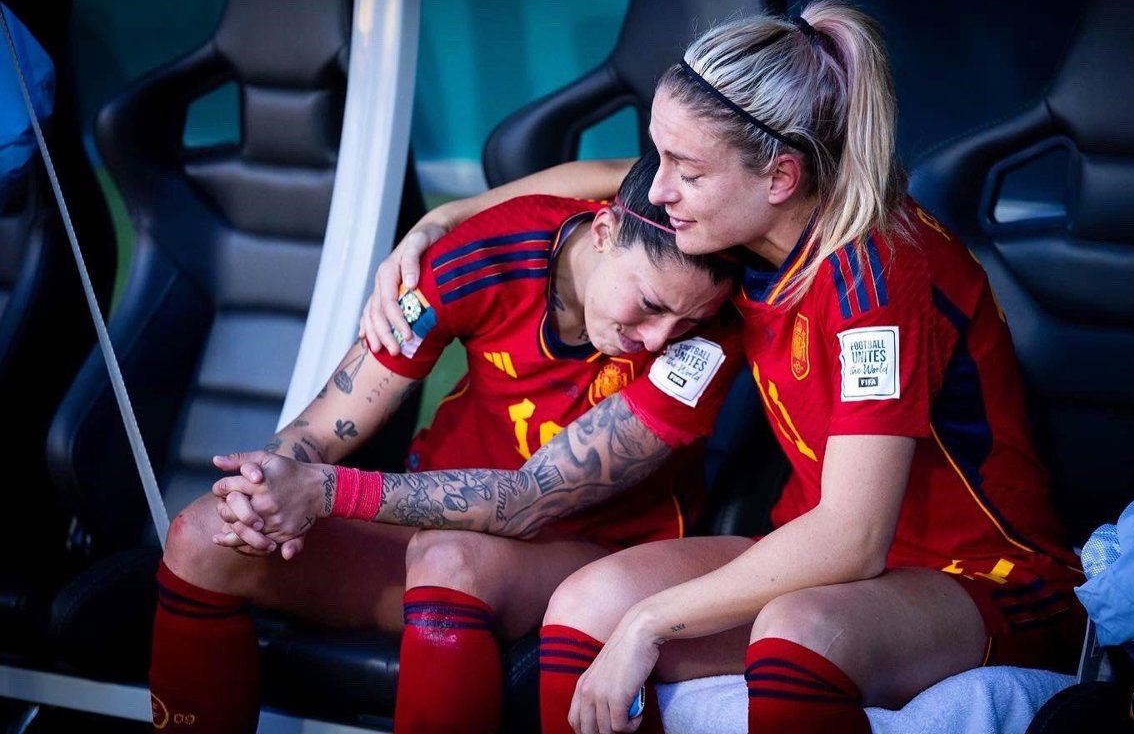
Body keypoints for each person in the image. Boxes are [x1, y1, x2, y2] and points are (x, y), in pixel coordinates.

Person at [364, 0, 1086, 734]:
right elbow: (613, 177)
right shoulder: (733, 233)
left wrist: (651, 621)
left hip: (977, 574)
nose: (660, 189)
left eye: (686, 170)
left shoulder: (876, 275)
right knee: (585, 607)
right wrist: (444, 218)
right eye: (661, 157)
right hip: (808, 550)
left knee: (797, 635)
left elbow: (852, 539)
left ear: (780, 177)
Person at [150, 151, 745, 734]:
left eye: (686, 321)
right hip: (431, 529)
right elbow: (323, 427)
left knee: (451, 560)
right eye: (649, 305)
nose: (658, 338)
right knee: (202, 535)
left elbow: (526, 500)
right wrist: (262, 491)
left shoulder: (706, 343)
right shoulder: (490, 251)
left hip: (589, 554)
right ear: (604, 230)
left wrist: (321, 491)